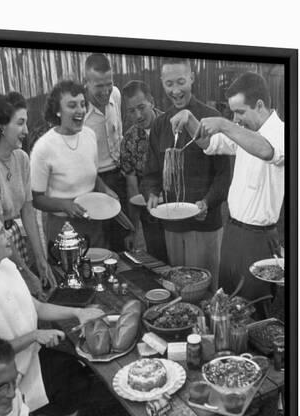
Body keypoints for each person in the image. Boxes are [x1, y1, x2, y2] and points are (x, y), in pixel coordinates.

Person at [171, 72, 284, 301]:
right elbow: (209, 143)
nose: (236, 118)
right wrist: (189, 119)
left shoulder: (282, 132)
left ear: (260, 105)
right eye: (233, 113)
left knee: (253, 309)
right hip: (232, 232)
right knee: (227, 301)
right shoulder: (244, 131)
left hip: (258, 240)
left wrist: (223, 123)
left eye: (240, 111)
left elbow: (266, 151)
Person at [0, 213, 105, 414]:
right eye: (1, 232)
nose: (8, 235)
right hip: (10, 379)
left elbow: (37, 307)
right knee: (78, 383)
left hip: (33, 356)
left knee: (82, 370)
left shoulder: (6, 267)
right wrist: (35, 336)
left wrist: (78, 312)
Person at [142, 58, 231, 290]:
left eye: (181, 81)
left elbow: (224, 175)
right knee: (178, 285)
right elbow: (150, 172)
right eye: (169, 83)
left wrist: (207, 202)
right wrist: (150, 193)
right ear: (162, 83)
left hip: (205, 224)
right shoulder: (161, 124)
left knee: (206, 287)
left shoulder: (211, 118)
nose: (175, 90)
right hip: (172, 224)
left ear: (192, 78)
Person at [31, 79, 118, 247]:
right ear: (57, 111)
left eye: (82, 104)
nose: (80, 111)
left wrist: (105, 189)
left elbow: (92, 174)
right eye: (72, 105)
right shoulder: (43, 147)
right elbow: (36, 199)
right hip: (63, 227)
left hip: (94, 221)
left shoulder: (90, 135)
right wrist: (65, 205)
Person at [0, 91, 56, 298]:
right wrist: (25, 272)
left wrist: (40, 260)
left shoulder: (21, 158)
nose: (26, 130)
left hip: (16, 242)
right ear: (2, 125)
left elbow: (28, 212)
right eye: (20, 123)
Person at [83, 53, 131, 251]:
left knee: (124, 240)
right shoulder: (79, 113)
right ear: (86, 83)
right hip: (94, 183)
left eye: (108, 84)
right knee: (100, 243)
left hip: (120, 176)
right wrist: (102, 188)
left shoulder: (116, 95)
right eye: (99, 86)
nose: (105, 91)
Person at [120, 80, 167, 261]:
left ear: (152, 102)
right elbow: (132, 188)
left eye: (142, 107)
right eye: (131, 111)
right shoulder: (129, 140)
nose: (138, 115)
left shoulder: (172, 125)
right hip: (151, 213)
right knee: (159, 263)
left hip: (179, 210)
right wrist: (133, 229)